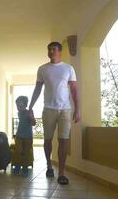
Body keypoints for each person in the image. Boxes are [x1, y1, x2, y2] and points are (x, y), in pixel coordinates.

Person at [28, 41, 81, 185]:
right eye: (49, 49)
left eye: (54, 49)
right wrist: (30, 106)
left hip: (65, 109)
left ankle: (62, 173)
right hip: (49, 109)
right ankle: (49, 166)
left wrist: (78, 110)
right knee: (47, 139)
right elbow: (38, 89)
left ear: (60, 51)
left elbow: (74, 90)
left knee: (63, 140)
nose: (51, 52)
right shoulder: (43, 69)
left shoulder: (68, 68)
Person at [12, 96, 36, 176]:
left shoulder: (29, 111)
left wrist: (31, 117)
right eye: (17, 106)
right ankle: (18, 166)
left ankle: (25, 168)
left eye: (20, 106)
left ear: (25, 105)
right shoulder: (19, 113)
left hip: (28, 136)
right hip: (19, 135)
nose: (18, 108)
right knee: (19, 151)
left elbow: (34, 123)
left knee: (26, 152)